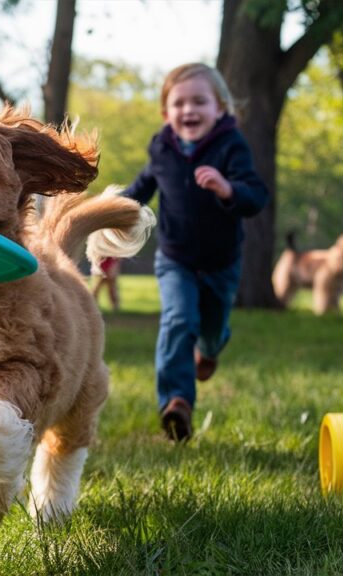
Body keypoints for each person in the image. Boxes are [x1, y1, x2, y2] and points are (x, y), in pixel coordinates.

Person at [121, 62, 268, 442]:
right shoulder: (161, 146)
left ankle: (212, 347)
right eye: (179, 103)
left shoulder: (231, 145)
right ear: (165, 112)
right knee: (178, 319)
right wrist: (113, 212)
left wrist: (228, 188)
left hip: (221, 262)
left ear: (220, 107)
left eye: (200, 101)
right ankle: (176, 403)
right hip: (175, 259)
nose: (189, 110)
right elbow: (142, 188)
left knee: (212, 330)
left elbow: (256, 196)